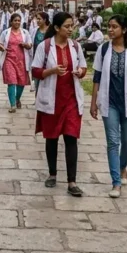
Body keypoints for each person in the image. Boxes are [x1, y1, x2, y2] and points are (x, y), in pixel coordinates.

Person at [31, 11, 88, 197]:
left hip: (71, 98)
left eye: (72, 26)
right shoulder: (45, 47)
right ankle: (52, 173)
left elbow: (84, 67)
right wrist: (52, 70)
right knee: (52, 137)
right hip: (51, 99)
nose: (71, 29)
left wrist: (80, 71)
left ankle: (72, 181)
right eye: (67, 26)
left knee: (71, 138)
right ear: (56, 28)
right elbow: (35, 71)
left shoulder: (75, 46)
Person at [90, 14, 127, 198]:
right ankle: (116, 183)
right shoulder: (104, 49)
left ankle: (122, 167)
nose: (110, 30)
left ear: (123, 29)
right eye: (109, 26)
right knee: (113, 143)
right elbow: (97, 76)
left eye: (114, 26)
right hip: (109, 103)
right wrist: (93, 102)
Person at [0, 13, 32, 113]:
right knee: (11, 82)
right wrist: (1, 47)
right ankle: (13, 105)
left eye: (18, 21)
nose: (17, 22)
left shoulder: (25, 33)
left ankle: (17, 99)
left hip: (22, 61)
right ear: (11, 22)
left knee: (21, 82)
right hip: (9, 60)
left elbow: (30, 45)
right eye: (15, 20)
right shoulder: (5, 33)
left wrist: (25, 45)